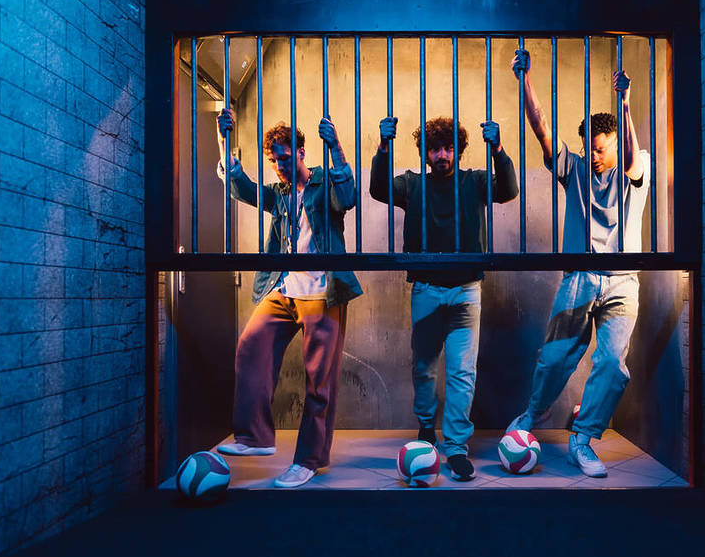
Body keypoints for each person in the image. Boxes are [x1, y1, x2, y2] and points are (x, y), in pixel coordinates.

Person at [506, 48, 650, 478]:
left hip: (623, 283)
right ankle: (529, 419)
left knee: (611, 365)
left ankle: (582, 440)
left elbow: (628, 154)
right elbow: (542, 129)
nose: (592, 155)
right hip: (579, 279)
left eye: (599, 149)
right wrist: (525, 82)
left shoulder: (635, 166)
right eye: (589, 147)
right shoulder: (576, 168)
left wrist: (624, 105)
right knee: (553, 359)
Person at [214, 108, 363, 488]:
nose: (279, 165)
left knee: (319, 382)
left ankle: (309, 460)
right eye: (274, 160)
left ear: (300, 152)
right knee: (251, 345)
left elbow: (348, 197)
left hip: (322, 292)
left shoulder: (323, 182)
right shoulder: (279, 194)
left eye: (284, 157)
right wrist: (224, 141)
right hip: (284, 288)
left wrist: (337, 148)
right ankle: (255, 437)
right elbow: (241, 187)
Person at [370, 116, 518, 481]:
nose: (442, 155)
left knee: (462, 373)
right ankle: (425, 428)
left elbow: (509, 190)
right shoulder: (412, 184)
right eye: (435, 149)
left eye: (449, 148)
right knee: (424, 368)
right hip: (426, 290)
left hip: (467, 290)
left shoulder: (474, 181)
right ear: (425, 152)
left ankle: (455, 447)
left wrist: (498, 149)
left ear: (459, 151)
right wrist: (383, 148)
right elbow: (378, 190)